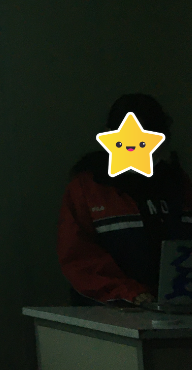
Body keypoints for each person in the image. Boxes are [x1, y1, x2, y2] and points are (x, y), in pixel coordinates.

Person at [57, 94, 192, 305]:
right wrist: (128, 292)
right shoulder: (87, 189)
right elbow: (79, 258)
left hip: (174, 310)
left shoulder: (179, 184)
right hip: (107, 313)